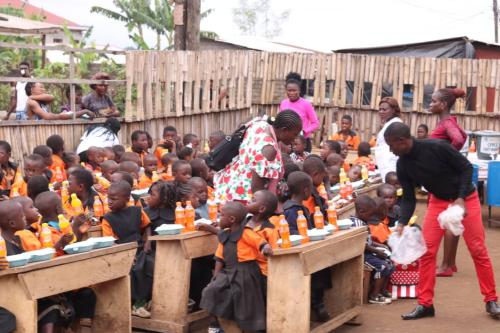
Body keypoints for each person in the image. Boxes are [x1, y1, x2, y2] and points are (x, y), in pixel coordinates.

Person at [383, 122, 500, 319]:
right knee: (427, 253)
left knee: (478, 250)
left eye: (391, 144)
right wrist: (402, 223)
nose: (390, 149)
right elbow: (409, 197)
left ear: (402, 141)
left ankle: (491, 300)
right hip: (438, 202)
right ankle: (425, 304)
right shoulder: (403, 164)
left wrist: (461, 198)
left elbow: (465, 168)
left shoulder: (437, 147)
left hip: (466, 200)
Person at [200, 201, 272, 332]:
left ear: (231, 219)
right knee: (210, 291)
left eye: (221, 215)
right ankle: (215, 323)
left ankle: (253, 328)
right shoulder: (224, 235)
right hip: (227, 272)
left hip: (246, 272)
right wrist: (216, 275)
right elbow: (219, 257)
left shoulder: (246, 233)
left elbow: (259, 242)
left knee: (244, 300)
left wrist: (265, 247)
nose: (218, 217)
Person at [215, 111, 302, 203]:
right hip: (242, 196)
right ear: (284, 130)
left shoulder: (259, 124)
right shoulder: (269, 149)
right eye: (295, 134)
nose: (295, 139)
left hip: (228, 183)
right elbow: (257, 188)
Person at [429, 88, 468, 277]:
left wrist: (446, 160)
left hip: (446, 179)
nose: (430, 104)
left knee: (447, 220)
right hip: (453, 177)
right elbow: (463, 137)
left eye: (433, 101)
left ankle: (445, 266)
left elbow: (459, 139)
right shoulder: (450, 121)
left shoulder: (446, 123)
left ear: (443, 105)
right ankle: (450, 263)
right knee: (454, 218)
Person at [283, 170, 331, 321]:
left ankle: (318, 302)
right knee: (318, 268)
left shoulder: (301, 207)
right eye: (310, 189)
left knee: (324, 264)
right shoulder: (291, 210)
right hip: (296, 254)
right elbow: (292, 233)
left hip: (307, 248)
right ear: (305, 190)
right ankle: (317, 304)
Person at [102, 181, 153, 317]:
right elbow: (110, 242)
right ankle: (136, 304)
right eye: (108, 198)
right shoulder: (108, 218)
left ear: (126, 198)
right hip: (121, 250)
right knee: (134, 269)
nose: (109, 202)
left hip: (140, 247)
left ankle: (145, 300)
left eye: (114, 199)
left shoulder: (136, 211)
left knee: (151, 264)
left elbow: (147, 226)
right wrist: (126, 253)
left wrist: (148, 242)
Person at [350, 195, 394, 304]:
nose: (372, 217)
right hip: (362, 255)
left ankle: (381, 291)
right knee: (382, 267)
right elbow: (361, 244)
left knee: (390, 262)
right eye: (370, 214)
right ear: (361, 211)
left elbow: (368, 241)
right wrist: (377, 251)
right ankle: (374, 296)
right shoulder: (356, 224)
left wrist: (381, 246)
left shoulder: (363, 222)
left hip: (369, 252)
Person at [279, 78, 319, 152]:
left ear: (299, 91)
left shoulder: (306, 104)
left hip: (302, 143)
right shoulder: (283, 103)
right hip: (287, 142)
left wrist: (304, 131)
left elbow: (315, 123)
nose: (291, 93)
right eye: (289, 90)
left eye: (294, 90)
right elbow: (281, 121)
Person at [25, 82, 92, 121]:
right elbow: (48, 117)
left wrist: (31, 96)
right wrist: (60, 115)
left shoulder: (41, 101)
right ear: (32, 89)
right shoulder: (32, 102)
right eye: (41, 87)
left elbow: (51, 97)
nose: (44, 89)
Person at [374, 97, 403, 181]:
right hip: (385, 163)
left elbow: (398, 146)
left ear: (393, 110)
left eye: (384, 109)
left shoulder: (396, 124)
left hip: (391, 163)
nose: (381, 112)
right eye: (380, 109)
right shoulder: (388, 123)